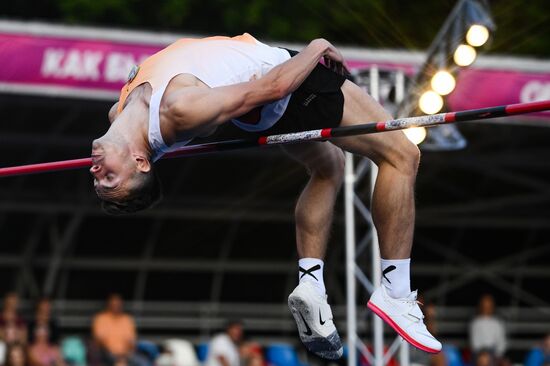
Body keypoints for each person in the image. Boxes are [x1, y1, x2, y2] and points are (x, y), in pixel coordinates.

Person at [90, 33, 439, 358]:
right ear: (140, 162)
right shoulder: (180, 109)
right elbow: (274, 87)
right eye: (110, 178)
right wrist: (317, 48)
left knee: (328, 167)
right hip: (286, 86)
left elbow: (141, 145)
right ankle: (396, 290)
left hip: (264, 105)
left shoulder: (119, 114)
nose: (95, 172)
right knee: (402, 155)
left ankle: (312, 283)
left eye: (99, 179)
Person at [92, 294, 147, 366]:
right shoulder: (101, 319)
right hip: (107, 353)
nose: (116, 306)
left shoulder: (127, 319)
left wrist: (127, 354)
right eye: (114, 304)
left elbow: (132, 341)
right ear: (109, 305)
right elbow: (100, 340)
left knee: (144, 363)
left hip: (126, 354)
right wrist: (116, 356)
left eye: (118, 304)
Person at [469, 294, 506, 359]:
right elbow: (474, 342)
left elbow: (501, 341)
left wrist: (497, 354)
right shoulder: (476, 323)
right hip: (480, 354)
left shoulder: (497, 323)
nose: (486, 308)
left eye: (489, 306)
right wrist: (482, 353)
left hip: (494, 353)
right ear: (481, 306)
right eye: (485, 306)